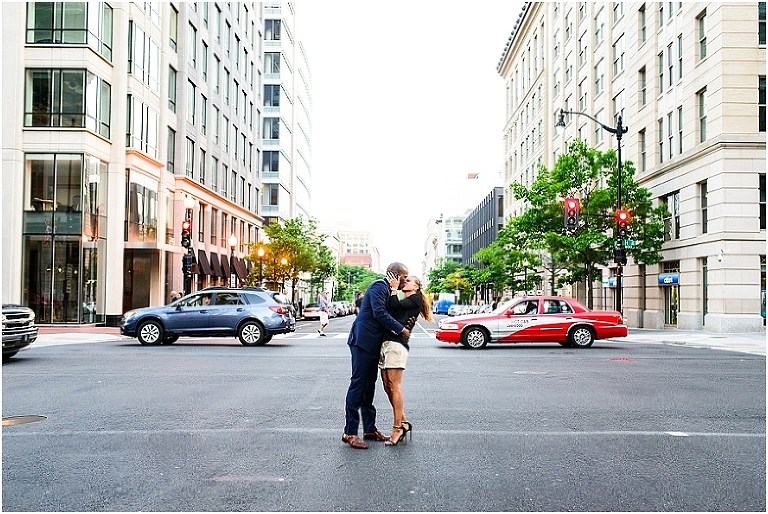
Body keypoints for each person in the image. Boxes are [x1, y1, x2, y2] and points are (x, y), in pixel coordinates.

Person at [342, 262, 412, 450]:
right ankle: (349, 432)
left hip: (373, 343)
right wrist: (401, 330)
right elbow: (380, 313)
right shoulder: (378, 287)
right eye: (405, 276)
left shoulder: (388, 290)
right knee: (358, 384)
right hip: (363, 341)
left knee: (368, 387)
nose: (407, 279)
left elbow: (392, 309)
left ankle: (370, 429)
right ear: (395, 275)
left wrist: (395, 292)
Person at [380, 275, 433, 446]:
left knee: (394, 387)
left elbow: (394, 305)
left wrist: (394, 288)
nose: (405, 282)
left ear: (417, 287)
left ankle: (397, 428)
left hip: (397, 345)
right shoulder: (408, 298)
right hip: (386, 342)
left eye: (409, 281)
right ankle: (403, 423)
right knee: (387, 386)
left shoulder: (415, 299)